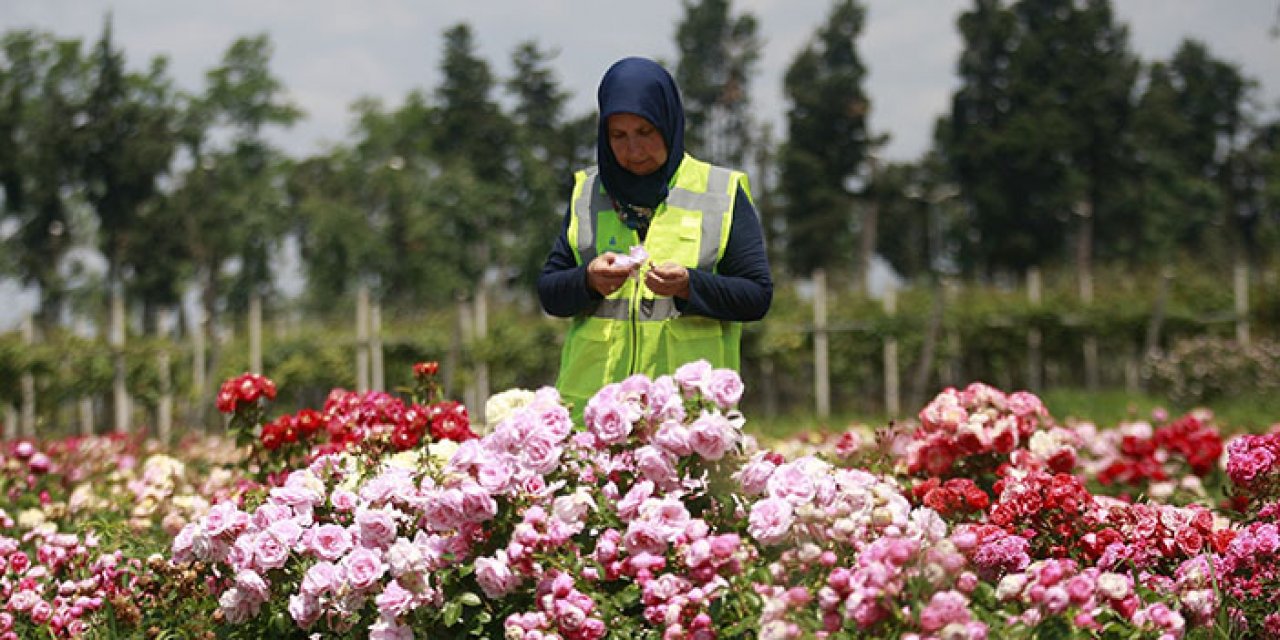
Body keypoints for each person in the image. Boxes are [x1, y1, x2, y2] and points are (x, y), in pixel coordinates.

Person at [537, 56, 773, 413]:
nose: (633, 150)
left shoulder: (719, 192)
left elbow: (756, 296)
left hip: (686, 422)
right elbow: (550, 293)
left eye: (645, 132)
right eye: (618, 136)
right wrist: (587, 281)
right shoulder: (587, 193)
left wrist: (689, 286)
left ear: (667, 122)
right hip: (596, 420)